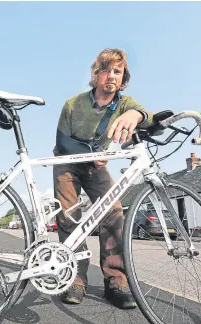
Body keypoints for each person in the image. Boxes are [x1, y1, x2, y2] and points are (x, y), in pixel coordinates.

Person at [53, 48, 153, 309]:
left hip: (96, 167)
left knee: (113, 212)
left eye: (117, 72)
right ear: (96, 75)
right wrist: (90, 153)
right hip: (66, 163)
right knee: (68, 216)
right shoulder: (73, 104)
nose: (111, 76)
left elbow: (147, 116)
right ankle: (74, 278)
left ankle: (116, 281)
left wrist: (135, 115)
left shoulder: (124, 103)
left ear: (122, 78)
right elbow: (62, 142)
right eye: (105, 70)